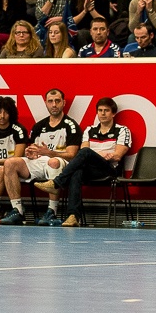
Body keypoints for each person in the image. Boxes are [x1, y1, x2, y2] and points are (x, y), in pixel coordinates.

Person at [35, 97, 132, 227]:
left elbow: (117, 155)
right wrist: (102, 154)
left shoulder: (122, 130)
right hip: (91, 168)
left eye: (106, 111)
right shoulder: (89, 130)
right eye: (100, 110)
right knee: (77, 171)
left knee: (86, 152)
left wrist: (97, 154)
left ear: (113, 113)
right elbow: (83, 151)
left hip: (109, 169)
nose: (102, 114)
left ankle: (57, 182)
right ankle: (73, 216)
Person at [0, 88, 82, 225]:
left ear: (63, 103)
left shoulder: (71, 126)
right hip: (40, 162)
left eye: (57, 101)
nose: (54, 105)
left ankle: (52, 211)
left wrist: (49, 153)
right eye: (50, 101)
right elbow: (33, 149)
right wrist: (31, 152)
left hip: (61, 164)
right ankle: (18, 210)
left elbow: (72, 155)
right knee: (10, 163)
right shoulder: (39, 126)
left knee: (53, 162)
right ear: (45, 103)